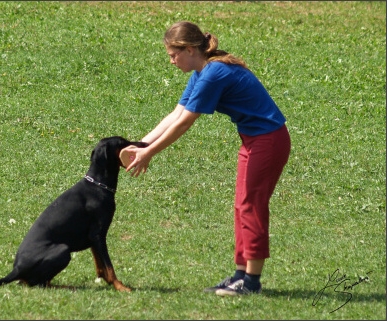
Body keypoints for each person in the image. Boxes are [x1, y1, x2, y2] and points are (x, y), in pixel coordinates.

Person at [123, 21, 291, 296]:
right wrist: (139, 144)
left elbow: (185, 123)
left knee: (252, 206)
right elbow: (175, 115)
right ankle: (240, 275)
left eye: (173, 55)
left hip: (268, 141)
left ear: (189, 49)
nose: (171, 61)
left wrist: (149, 153)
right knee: (241, 205)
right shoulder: (201, 72)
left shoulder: (215, 72)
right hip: (253, 139)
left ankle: (252, 283)